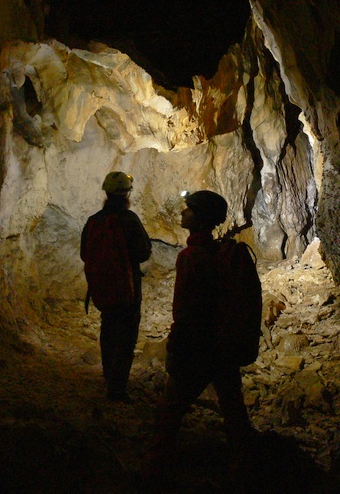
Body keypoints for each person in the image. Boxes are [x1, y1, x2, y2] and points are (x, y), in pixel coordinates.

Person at [146, 190, 254, 486]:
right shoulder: (224, 254)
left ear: (200, 218)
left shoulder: (191, 257)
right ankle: (242, 470)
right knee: (233, 411)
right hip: (223, 347)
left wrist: (176, 347)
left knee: (169, 413)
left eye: (188, 209)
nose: (182, 213)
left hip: (196, 349)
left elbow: (184, 309)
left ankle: (154, 473)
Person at [80, 171, 151, 402]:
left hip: (104, 288)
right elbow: (144, 252)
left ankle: (109, 375)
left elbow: (84, 254)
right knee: (127, 336)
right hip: (128, 288)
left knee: (108, 329)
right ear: (127, 194)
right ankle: (117, 388)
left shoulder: (94, 221)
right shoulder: (129, 219)